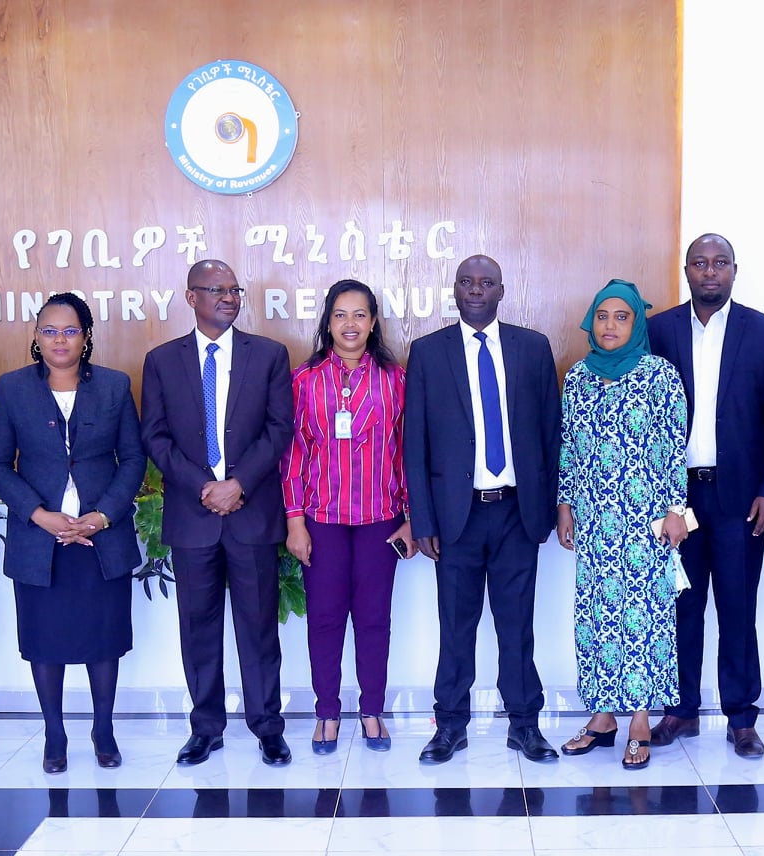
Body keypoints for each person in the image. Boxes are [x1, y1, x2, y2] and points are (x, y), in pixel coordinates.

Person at [403, 255, 562, 765]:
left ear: (501, 291)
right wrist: (423, 519)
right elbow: (415, 444)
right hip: (457, 516)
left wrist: (550, 507)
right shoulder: (428, 352)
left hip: (517, 511)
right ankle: (450, 725)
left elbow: (551, 433)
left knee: (517, 626)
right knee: (456, 626)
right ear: (454, 290)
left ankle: (525, 725)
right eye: (466, 282)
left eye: (486, 282)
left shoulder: (532, 348)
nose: (475, 290)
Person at [140, 259, 294, 767]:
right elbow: (155, 436)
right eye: (217, 290)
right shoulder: (162, 360)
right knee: (198, 629)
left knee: (258, 627)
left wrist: (238, 483)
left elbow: (279, 429)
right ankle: (206, 728)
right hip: (193, 515)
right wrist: (204, 487)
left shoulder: (268, 355)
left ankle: (268, 727)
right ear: (191, 297)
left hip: (250, 512)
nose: (229, 298)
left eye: (234, 290)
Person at [0, 291, 144, 771]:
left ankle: (103, 729)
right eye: (49, 331)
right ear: (36, 337)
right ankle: (54, 733)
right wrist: (38, 514)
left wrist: (102, 515)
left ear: (86, 337)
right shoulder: (13, 387)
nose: (59, 339)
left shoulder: (114, 386)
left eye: (70, 330)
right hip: (40, 540)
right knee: (44, 641)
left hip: (101, 538)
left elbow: (132, 459)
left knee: (104, 639)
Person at [645, 234, 764, 759]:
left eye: (720, 263)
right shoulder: (659, 329)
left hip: (740, 499)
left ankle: (741, 717)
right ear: (686, 270)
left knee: (737, 608)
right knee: (679, 607)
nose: (710, 272)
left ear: (734, 270)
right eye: (700, 263)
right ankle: (681, 710)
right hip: (675, 499)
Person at [555, 281, 688, 770]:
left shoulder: (660, 376)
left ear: (637, 324)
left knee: (643, 620)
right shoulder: (578, 377)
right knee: (596, 619)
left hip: (644, 523)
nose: (610, 325)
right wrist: (565, 505)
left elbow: (674, 446)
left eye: (622, 317)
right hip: (594, 522)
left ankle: (639, 722)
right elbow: (569, 447)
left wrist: (676, 509)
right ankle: (602, 718)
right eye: (603, 316)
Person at [282, 279, 413, 755]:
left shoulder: (395, 379)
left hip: (382, 519)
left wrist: (411, 518)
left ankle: (372, 710)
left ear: (373, 322)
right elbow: (293, 455)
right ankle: (327, 712)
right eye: (340, 315)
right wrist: (295, 521)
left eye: (360, 314)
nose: (350, 324)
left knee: (375, 619)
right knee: (325, 619)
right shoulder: (303, 379)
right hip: (322, 520)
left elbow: (407, 450)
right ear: (328, 322)